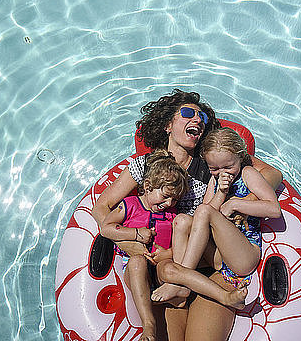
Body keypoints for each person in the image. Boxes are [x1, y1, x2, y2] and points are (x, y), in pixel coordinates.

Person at [91, 89, 283, 341]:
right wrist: (130, 242)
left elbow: (272, 174)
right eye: (187, 113)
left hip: (208, 265)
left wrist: (241, 202)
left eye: (201, 117)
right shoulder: (146, 166)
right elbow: (101, 208)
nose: (197, 119)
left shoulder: (212, 164)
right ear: (168, 124)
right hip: (160, 268)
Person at [100, 150, 247, 341]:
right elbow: (106, 228)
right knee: (137, 263)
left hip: (160, 268)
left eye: (175, 200)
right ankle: (149, 324)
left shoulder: (171, 215)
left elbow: (179, 247)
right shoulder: (129, 205)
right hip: (137, 269)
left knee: (170, 269)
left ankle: (225, 297)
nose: (169, 203)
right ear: (147, 186)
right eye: (166, 196)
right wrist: (135, 234)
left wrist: (166, 254)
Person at [150, 127, 281, 305]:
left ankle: (180, 281)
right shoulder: (215, 181)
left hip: (244, 256)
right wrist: (221, 192)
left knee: (203, 211)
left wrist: (234, 203)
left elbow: (274, 209)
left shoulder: (247, 173)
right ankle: (183, 285)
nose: (222, 173)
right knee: (181, 220)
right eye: (214, 168)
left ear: (240, 157)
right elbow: (203, 217)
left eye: (228, 166)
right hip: (219, 257)